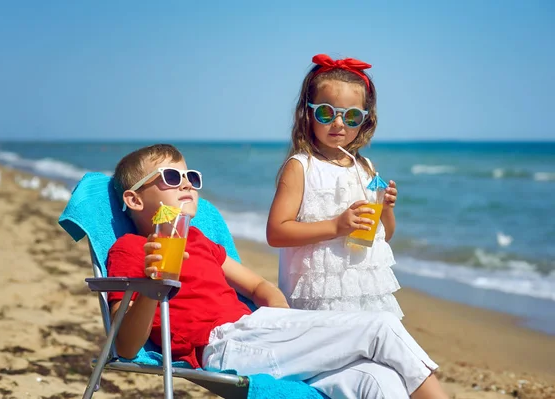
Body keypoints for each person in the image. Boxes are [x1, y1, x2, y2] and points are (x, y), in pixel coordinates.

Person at [107, 143, 448, 399]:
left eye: (191, 177)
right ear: (135, 200)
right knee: (380, 328)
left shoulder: (199, 241)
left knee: (377, 380)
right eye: (171, 177)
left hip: (258, 331)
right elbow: (125, 345)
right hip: (223, 346)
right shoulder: (130, 249)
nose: (187, 185)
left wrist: (284, 320)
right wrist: (153, 285)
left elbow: (258, 287)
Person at [267, 54, 403, 318]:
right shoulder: (302, 167)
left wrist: (385, 207)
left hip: (364, 295)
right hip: (318, 298)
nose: (339, 123)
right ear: (308, 113)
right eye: (327, 113)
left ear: (365, 119)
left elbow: (382, 236)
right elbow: (276, 233)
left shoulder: (366, 168)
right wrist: (335, 227)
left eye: (351, 116)